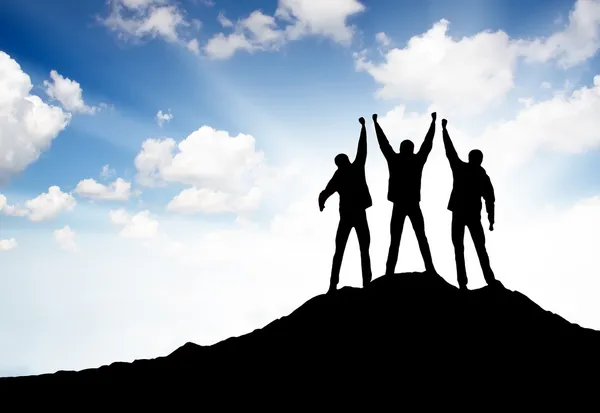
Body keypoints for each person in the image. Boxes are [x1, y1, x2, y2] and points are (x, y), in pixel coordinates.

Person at [372, 112, 437, 276]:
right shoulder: (416, 160)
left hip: (401, 204)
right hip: (411, 204)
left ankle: (389, 272)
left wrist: (376, 124)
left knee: (396, 240)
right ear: (411, 149)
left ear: (401, 149)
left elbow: (383, 144)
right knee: (420, 237)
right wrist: (433, 123)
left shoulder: (395, 160)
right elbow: (427, 144)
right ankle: (429, 268)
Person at [441, 118, 502, 290]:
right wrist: (491, 219)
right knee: (477, 248)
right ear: (480, 160)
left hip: (461, 214)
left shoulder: (463, 169)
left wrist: (444, 131)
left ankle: (464, 283)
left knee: (460, 249)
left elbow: (450, 152)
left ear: (470, 158)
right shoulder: (482, 175)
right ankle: (486, 279)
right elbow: (490, 200)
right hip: (470, 215)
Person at [319, 117, 373, 293]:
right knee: (362, 249)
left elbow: (325, 192)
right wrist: (363, 128)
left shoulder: (340, 174)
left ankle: (334, 285)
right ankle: (364, 283)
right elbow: (362, 149)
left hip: (349, 215)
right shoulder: (353, 169)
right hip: (356, 214)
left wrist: (322, 203)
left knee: (342, 250)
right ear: (346, 161)